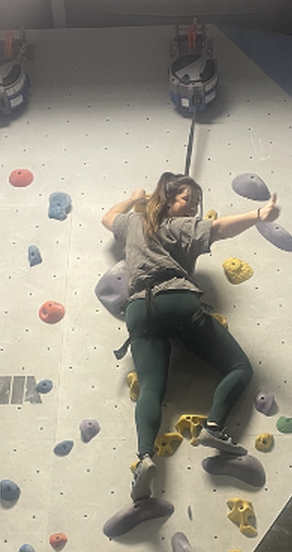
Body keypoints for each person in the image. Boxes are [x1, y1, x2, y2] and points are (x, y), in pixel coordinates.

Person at [103, 173, 279, 499]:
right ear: (167, 199)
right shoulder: (179, 226)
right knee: (239, 367)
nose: (193, 210)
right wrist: (258, 215)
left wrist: (134, 197)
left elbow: (108, 217)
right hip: (176, 301)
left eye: (197, 204)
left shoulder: (132, 224)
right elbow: (220, 228)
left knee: (152, 389)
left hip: (139, 310)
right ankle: (213, 428)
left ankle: (144, 458)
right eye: (187, 200)